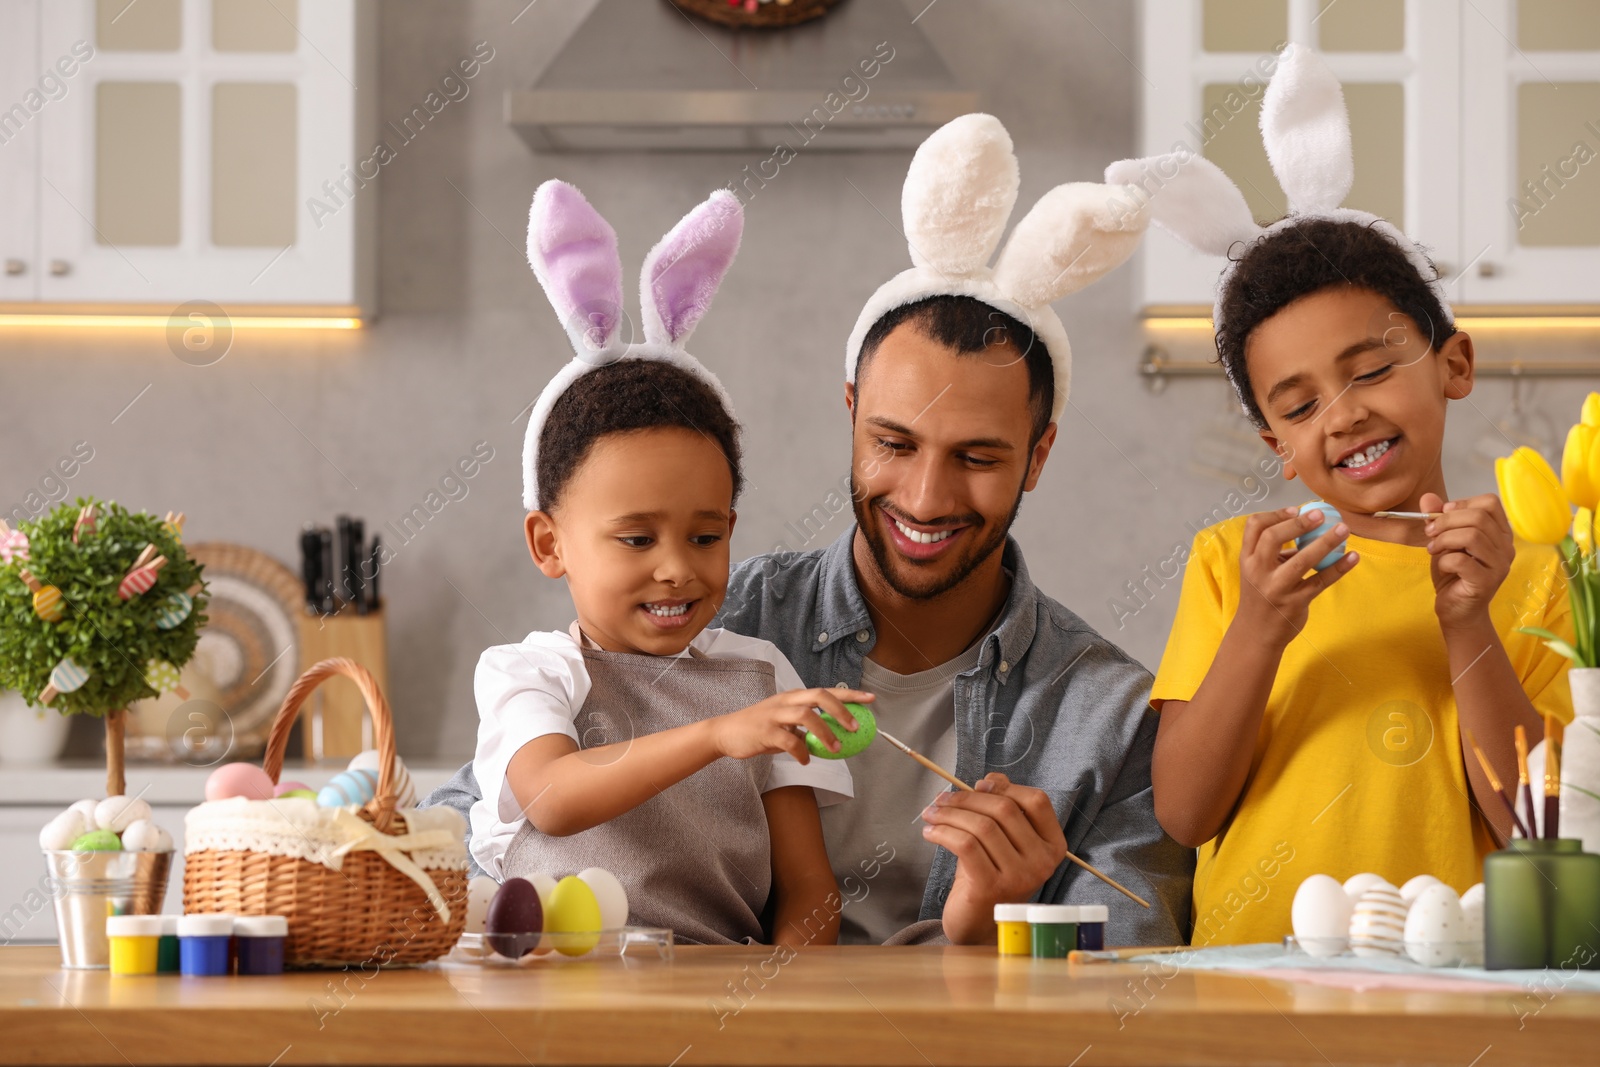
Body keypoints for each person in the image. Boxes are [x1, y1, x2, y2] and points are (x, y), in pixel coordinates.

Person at [428, 114, 1195, 948]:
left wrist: (997, 924)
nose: (928, 496)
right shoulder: (719, 622)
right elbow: (472, 820)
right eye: (894, 443)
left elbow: (1133, 980)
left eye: (977, 455)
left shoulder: (1110, 718)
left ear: (1038, 455)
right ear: (852, 415)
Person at [1109, 45, 1572, 946]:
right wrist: (1259, 626)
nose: (1346, 414)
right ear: (1276, 446)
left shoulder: (1547, 579)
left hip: (1462, 993)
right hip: (1251, 999)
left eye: (1372, 370)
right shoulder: (1238, 566)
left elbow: (1540, 833)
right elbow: (1185, 811)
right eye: (1300, 404)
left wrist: (1470, 620)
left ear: (1455, 363)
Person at [470, 180, 859, 947]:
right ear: (550, 543)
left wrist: (776, 1012)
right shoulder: (529, 674)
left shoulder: (761, 679)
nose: (678, 568)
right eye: (637, 539)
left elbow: (811, 892)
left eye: (706, 536)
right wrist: (718, 736)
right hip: (554, 1002)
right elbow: (553, 796)